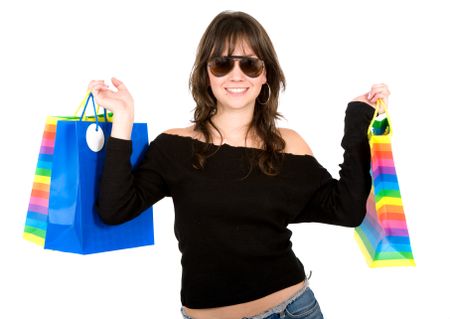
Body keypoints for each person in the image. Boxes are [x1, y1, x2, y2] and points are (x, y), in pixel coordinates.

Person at [90, 10, 390, 319]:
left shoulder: (288, 145)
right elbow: (115, 210)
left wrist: (357, 122)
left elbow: (347, 209)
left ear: (265, 75)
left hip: (292, 310)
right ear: (207, 73)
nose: (236, 75)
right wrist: (122, 121)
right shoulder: (173, 147)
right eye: (222, 64)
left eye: (249, 64)